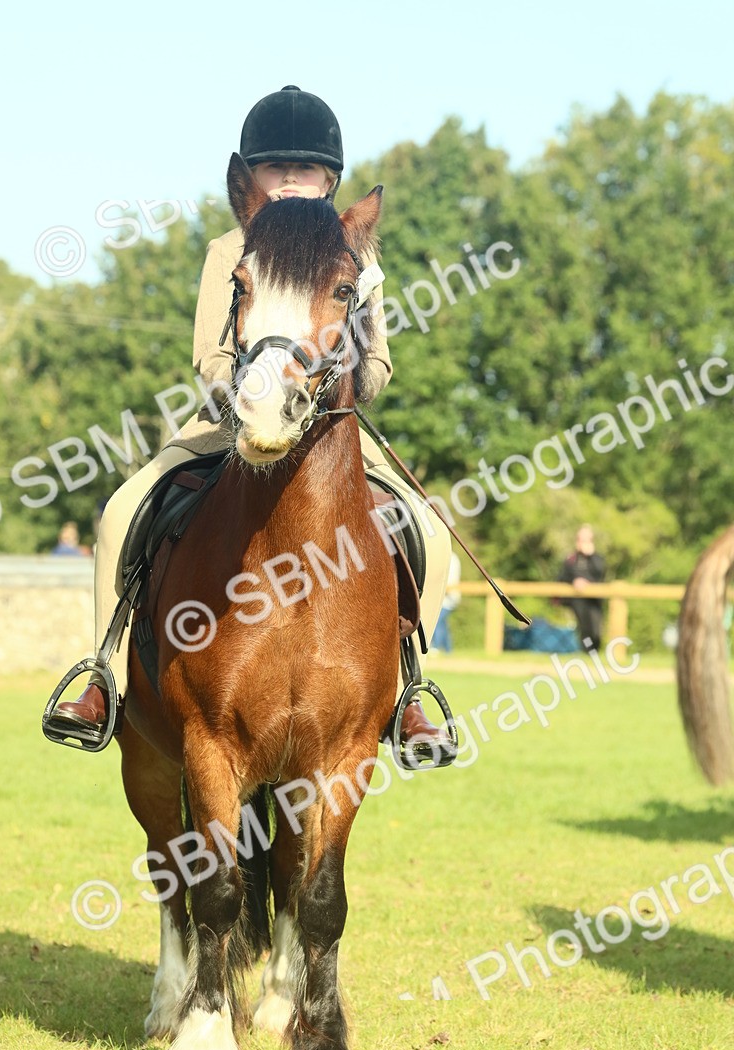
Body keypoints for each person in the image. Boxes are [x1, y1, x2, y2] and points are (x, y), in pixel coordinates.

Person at [50, 85, 455, 762]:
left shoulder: (358, 255)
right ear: (252, 182)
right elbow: (209, 353)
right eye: (275, 168)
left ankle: (412, 690)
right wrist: (243, 395)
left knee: (429, 529)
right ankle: (103, 675)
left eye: (306, 168)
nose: (292, 178)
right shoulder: (228, 247)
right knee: (120, 510)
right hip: (230, 422)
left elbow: (380, 365)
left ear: (331, 180)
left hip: (330, 432)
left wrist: (337, 383)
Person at [557, 524, 606, 651]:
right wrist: (575, 581)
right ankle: (587, 651)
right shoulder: (571, 559)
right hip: (578, 599)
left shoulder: (597, 558)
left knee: (595, 628)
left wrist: (591, 555)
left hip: (594, 600)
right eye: (580, 539)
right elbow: (562, 577)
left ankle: (594, 651)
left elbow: (600, 573)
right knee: (584, 627)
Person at [431, 552, 461, 653]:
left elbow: (449, 580)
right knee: (442, 624)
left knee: (437, 622)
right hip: (446, 597)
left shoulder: (450, 558)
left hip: (448, 598)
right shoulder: (452, 557)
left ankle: (436, 647)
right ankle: (448, 650)